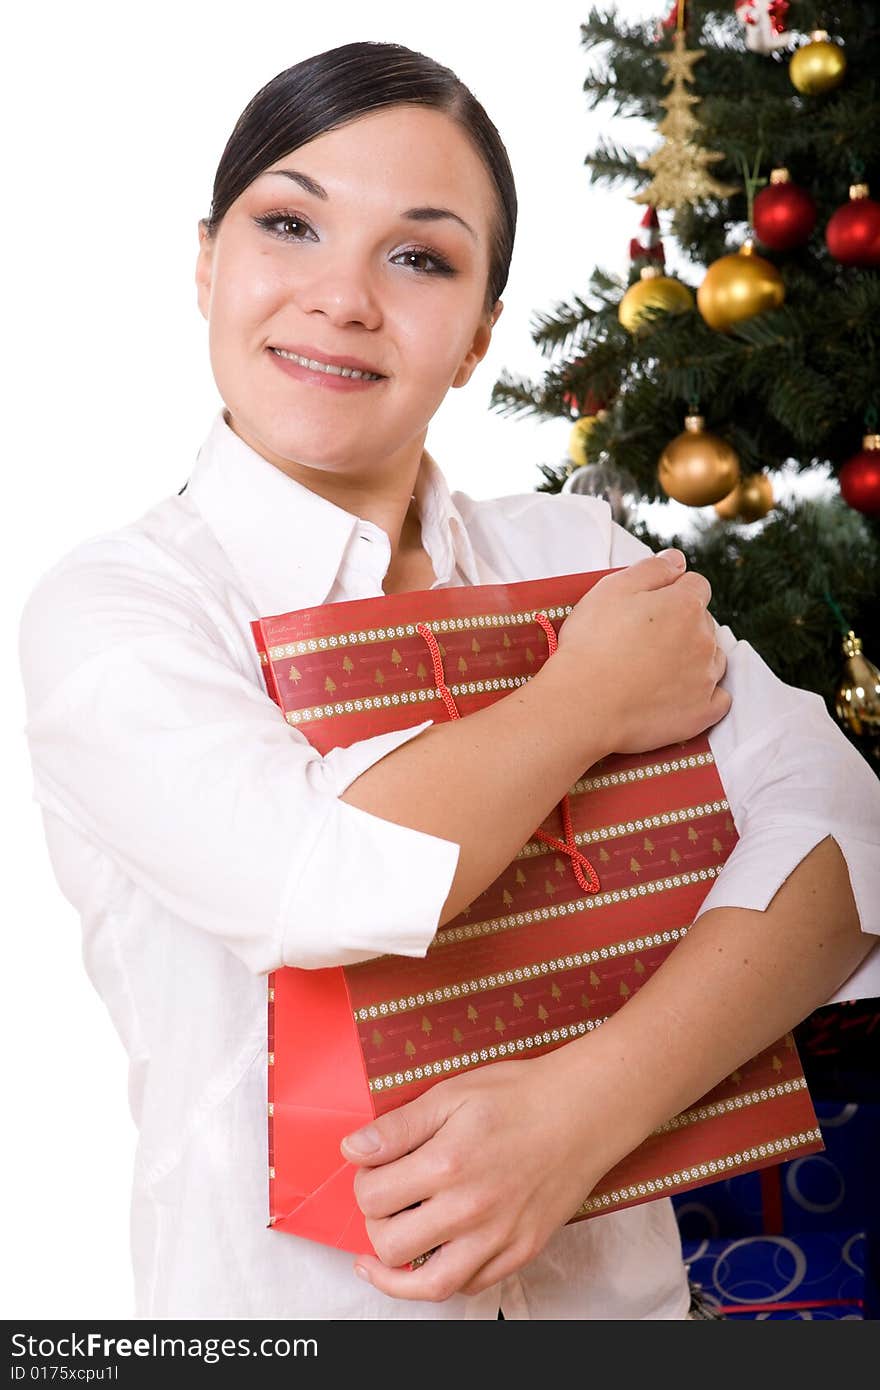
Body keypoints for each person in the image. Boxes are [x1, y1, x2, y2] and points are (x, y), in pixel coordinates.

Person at [17, 40, 880, 1321]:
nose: (342, 297)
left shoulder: (574, 553)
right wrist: (582, 701)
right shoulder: (120, 609)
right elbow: (319, 881)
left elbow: (847, 829)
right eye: (290, 225)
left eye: (419, 255)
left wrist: (585, 1109)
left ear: (479, 333)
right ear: (207, 263)